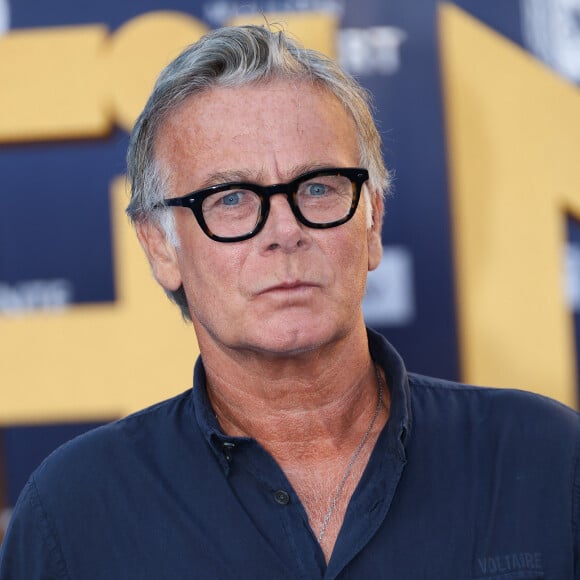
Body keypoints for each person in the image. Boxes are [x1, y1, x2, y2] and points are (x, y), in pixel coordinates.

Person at [1, 24, 579, 580]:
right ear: (160, 247)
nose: (284, 230)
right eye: (230, 199)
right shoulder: (73, 517)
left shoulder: (549, 459)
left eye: (319, 187)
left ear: (372, 219)